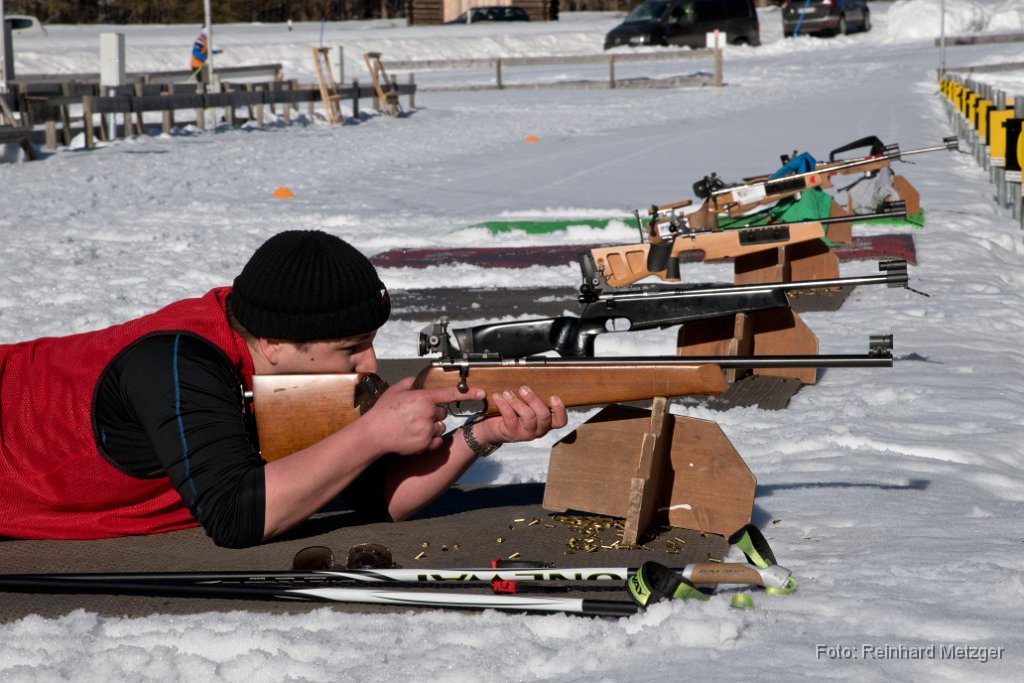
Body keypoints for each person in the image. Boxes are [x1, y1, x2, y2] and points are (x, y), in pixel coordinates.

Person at [0, 230, 568, 548]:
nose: (370, 362)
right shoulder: (173, 362)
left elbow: (376, 499)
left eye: (369, 340)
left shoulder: (290, 375)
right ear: (273, 342)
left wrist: (483, 434)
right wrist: (372, 434)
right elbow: (236, 517)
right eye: (351, 348)